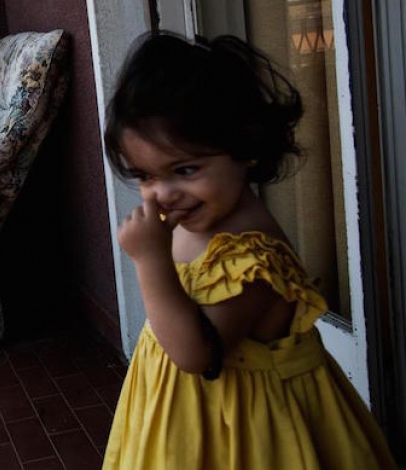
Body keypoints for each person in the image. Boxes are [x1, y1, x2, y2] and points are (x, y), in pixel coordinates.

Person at [101, 31, 396, 469]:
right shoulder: (193, 218)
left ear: (246, 149)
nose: (163, 194)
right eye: (145, 176)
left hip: (249, 436)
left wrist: (150, 262)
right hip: (189, 426)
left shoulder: (253, 258)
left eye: (185, 169)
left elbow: (195, 354)